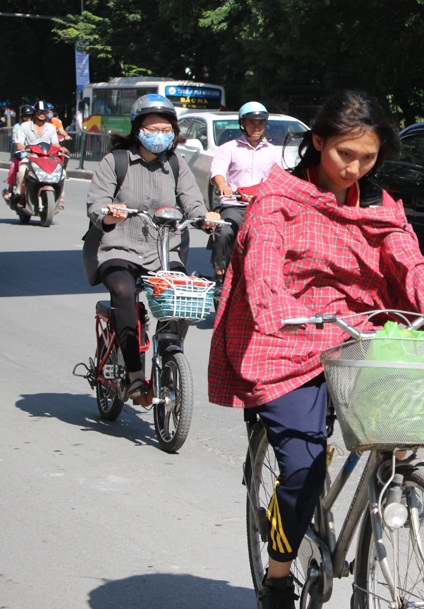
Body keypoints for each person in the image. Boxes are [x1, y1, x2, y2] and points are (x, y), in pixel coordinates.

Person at [207, 90, 424, 609]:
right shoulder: (278, 198)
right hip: (288, 337)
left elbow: (410, 264)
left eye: (368, 158)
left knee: (405, 423)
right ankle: (279, 581)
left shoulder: (381, 204)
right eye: (344, 154)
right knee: (303, 469)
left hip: (359, 335)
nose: (354, 167)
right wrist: (278, 310)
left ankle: (383, 510)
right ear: (318, 143)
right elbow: (262, 268)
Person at [86, 94, 220, 402]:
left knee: (183, 296)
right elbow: (96, 203)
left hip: (164, 253)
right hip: (119, 249)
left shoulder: (176, 164)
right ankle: (134, 375)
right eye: (152, 128)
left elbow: (193, 204)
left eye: (165, 129)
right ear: (137, 129)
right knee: (122, 290)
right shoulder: (115, 161)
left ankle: (170, 352)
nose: (159, 135)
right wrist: (108, 212)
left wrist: (205, 218)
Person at [207, 101, 283, 288]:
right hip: (234, 206)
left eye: (260, 123)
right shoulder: (229, 148)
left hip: (262, 207)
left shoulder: (273, 152)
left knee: (277, 237)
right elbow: (217, 171)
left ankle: (273, 278)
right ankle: (219, 275)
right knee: (224, 232)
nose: (256, 127)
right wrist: (222, 184)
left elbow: (282, 177)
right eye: (251, 122)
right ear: (243, 124)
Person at [11, 101, 61, 204]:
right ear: (35, 113)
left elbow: (55, 143)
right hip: (30, 156)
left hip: (46, 157)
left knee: (62, 172)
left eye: (44, 112)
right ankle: (19, 194)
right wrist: (21, 148)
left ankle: (59, 197)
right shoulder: (25, 126)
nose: (42, 114)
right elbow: (20, 142)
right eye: (39, 112)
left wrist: (60, 148)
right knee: (22, 170)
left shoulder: (51, 128)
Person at [3, 104, 34, 202]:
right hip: (21, 154)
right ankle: (11, 189)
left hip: (35, 154)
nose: (28, 118)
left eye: (30, 116)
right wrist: (24, 152)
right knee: (14, 167)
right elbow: (17, 142)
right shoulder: (17, 127)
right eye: (25, 116)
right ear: (22, 117)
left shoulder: (36, 127)